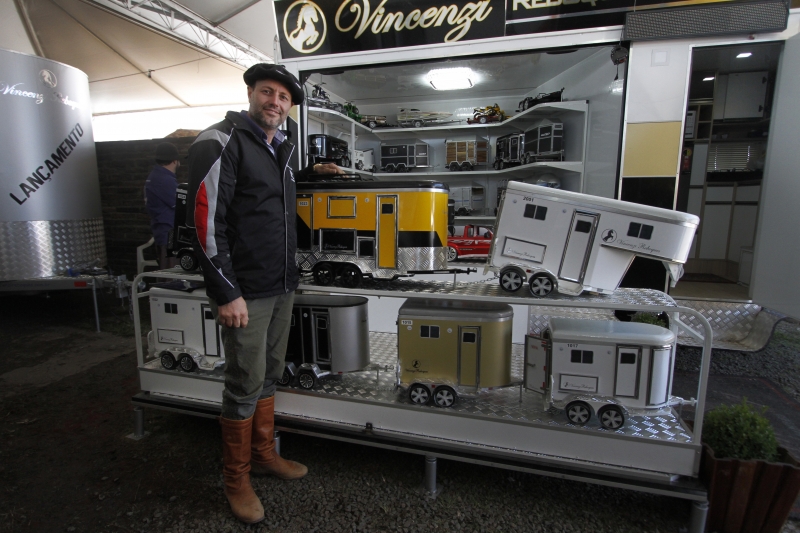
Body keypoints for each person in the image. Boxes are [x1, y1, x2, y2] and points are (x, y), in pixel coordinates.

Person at [185, 63, 342, 524]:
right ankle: (236, 479)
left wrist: (314, 170)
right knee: (243, 383)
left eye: (284, 98)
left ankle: (264, 456)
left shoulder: (281, 147)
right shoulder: (219, 140)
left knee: (270, 373)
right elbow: (203, 221)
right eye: (267, 92)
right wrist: (226, 291)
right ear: (251, 93)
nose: (275, 102)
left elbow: (266, 197)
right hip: (246, 291)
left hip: (281, 283)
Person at [143, 142, 180, 269]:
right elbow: (182, 206)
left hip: (163, 232)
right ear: (175, 161)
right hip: (170, 234)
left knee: (169, 273)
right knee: (173, 277)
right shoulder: (164, 179)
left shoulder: (155, 177)